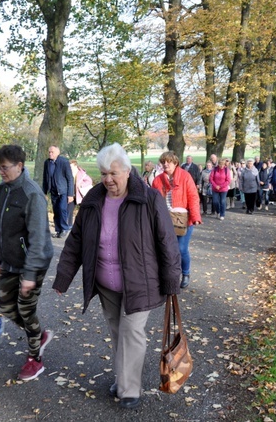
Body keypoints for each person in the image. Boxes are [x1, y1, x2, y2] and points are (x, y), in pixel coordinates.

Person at [53, 143, 181, 409]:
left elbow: (167, 241)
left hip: (140, 282)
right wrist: (63, 277)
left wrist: (171, 280)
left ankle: (130, 389)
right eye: (103, 174)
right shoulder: (93, 201)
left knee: (132, 331)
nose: (108, 179)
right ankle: (124, 378)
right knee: (117, 332)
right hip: (106, 282)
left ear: (127, 171)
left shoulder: (148, 198)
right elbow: (76, 241)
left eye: (114, 173)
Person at [0, 145, 55, 381]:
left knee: (26, 311)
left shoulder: (32, 194)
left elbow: (38, 239)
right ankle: (39, 334)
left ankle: (35, 360)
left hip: (32, 263)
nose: (1, 172)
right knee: (7, 308)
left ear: (20, 165)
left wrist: (29, 274)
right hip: (7, 262)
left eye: (4, 167)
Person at [152, 151, 202, 289]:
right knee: (166, 249)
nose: (165, 164)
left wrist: (196, 216)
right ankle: (170, 275)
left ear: (175, 163)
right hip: (166, 221)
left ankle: (185, 273)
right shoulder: (158, 180)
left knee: (181, 248)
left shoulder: (185, 176)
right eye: (163, 162)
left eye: (168, 161)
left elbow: (193, 197)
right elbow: (153, 201)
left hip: (183, 220)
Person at [43, 146, 75, 238]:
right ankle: (58, 230)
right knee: (56, 211)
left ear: (58, 153)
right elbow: (45, 178)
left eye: (52, 152)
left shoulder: (64, 162)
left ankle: (64, 228)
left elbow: (70, 179)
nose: (50, 154)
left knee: (62, 209)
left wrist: (70, 194)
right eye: (49, 152)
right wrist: (44, 192)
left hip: (63, 191)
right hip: (53, 191)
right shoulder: (47, 163)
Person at [68, 160, 94, 228]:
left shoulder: (81, 173)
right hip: (72, 195)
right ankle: (69, 225)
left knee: (83, 211)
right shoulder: (69, 173)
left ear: (75, 165)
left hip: (80, 195)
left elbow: (89, 181)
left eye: (71, 166)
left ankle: (85, 225)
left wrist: (81, 185)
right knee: (69, 210)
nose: (70, 168)